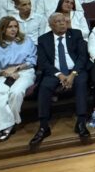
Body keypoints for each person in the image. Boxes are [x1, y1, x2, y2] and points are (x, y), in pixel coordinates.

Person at [30, 13, 91, 150]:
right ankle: (44, 126)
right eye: (58, 22)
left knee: (81, 83)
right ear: (51, 25)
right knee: (44, 87)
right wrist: (59, 75)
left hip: (75, 70)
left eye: (64, 21)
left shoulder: (76, 34)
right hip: (54, 73)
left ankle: (81, 122)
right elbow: (43, 62)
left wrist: (72, 74)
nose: (62, 23)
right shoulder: (43, 39)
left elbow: (82, 57)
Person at [0, 17, 37, 141]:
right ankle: (10, 123)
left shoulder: (26, 40)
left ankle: (5, 126)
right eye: (10, 27)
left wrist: (17, 68)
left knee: (16, 92)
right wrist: (5, 72)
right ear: (3, 29)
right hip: (3, 73)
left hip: (24, 71)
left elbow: (32, 60)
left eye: (15, 26)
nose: (14, 29)